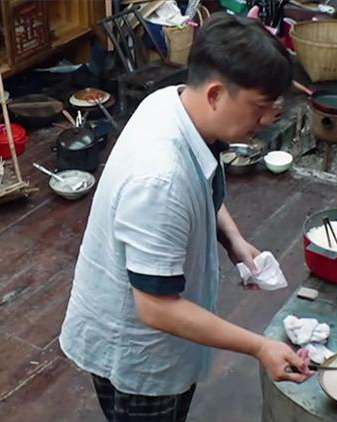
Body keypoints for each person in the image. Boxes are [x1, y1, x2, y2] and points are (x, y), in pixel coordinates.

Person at [59, 13, 311, 422]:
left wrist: (233, 240)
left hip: (153, 325)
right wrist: (260, 347)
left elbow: (199, 180)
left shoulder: (173, 101)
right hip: (140, 354)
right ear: (215, 94)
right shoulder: (160, 178)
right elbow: (156, 309)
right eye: (260, 107)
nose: (267, 120)